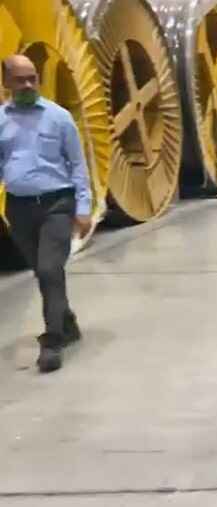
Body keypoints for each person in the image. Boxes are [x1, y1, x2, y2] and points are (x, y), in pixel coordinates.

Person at [0, 55, 92, 373]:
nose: (27, 84)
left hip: (57, 204)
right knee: (42, 271)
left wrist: (83, 208)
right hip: (18, 207)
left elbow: (78, 165)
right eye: (19, 79)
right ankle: (66, 321)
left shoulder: (59, 118)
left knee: (50, 269)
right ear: (6, 83)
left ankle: (52, 341)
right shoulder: (0, 120)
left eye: (32, 78)